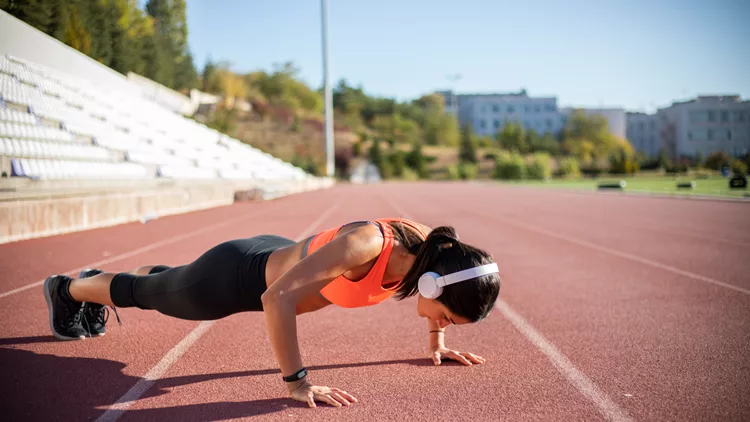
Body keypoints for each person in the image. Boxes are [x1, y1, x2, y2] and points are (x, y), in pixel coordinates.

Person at [43, 218, 501, 408]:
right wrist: (298, 383)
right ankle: (69, 288)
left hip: (273, 258)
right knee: (146, 294)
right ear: (431, 283)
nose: (439, 322)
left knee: (164, 285)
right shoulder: (372, 244)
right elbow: (276, 299)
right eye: (446, 318)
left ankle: (159, 277)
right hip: (237, 278)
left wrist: (438, 342)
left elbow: (435, 307)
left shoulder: (433, 255)